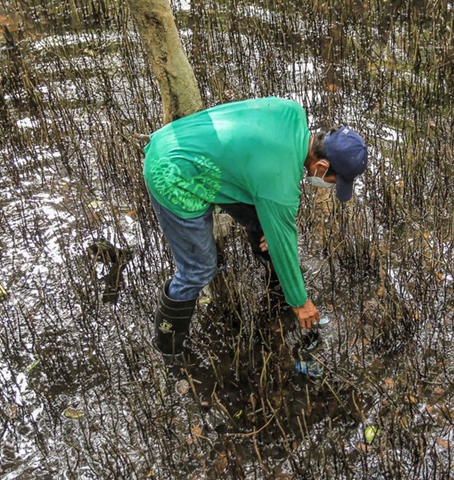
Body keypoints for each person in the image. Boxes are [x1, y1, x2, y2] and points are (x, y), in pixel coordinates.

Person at [142, 97, 368, 367]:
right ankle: (168, 347)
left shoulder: (291, 112)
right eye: (334, 181)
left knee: (263, 222)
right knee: (198, 270)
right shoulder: (278, 184)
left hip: (176, 138)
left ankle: (275, 291)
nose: (331, 186)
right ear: (321, 167)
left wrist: (274, 235)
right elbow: (283, 240)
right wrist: (300, 301)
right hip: (171, 172)